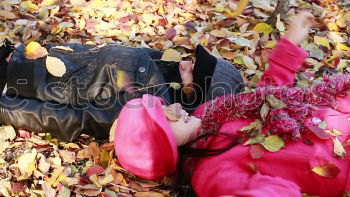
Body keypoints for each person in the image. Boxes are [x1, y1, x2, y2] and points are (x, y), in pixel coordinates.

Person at [114, 12, 350, 196]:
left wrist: (288, 45)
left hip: (339, 107)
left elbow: (268, 98)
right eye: (166, 118)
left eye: (167, 106)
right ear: (164, 147)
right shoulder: (210, 172)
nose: (175, 109)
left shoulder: (211, 113)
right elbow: (267, 191)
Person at [0, 37, 243, 141]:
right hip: (18, 58)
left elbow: (73, 119)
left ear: (195, 95)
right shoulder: (161, 62)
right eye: (193, 60)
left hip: (15, 86)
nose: (186, 63)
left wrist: (5, 109)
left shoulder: (147, 106)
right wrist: (24, 51)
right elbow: (86, 50)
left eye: (194, 72)